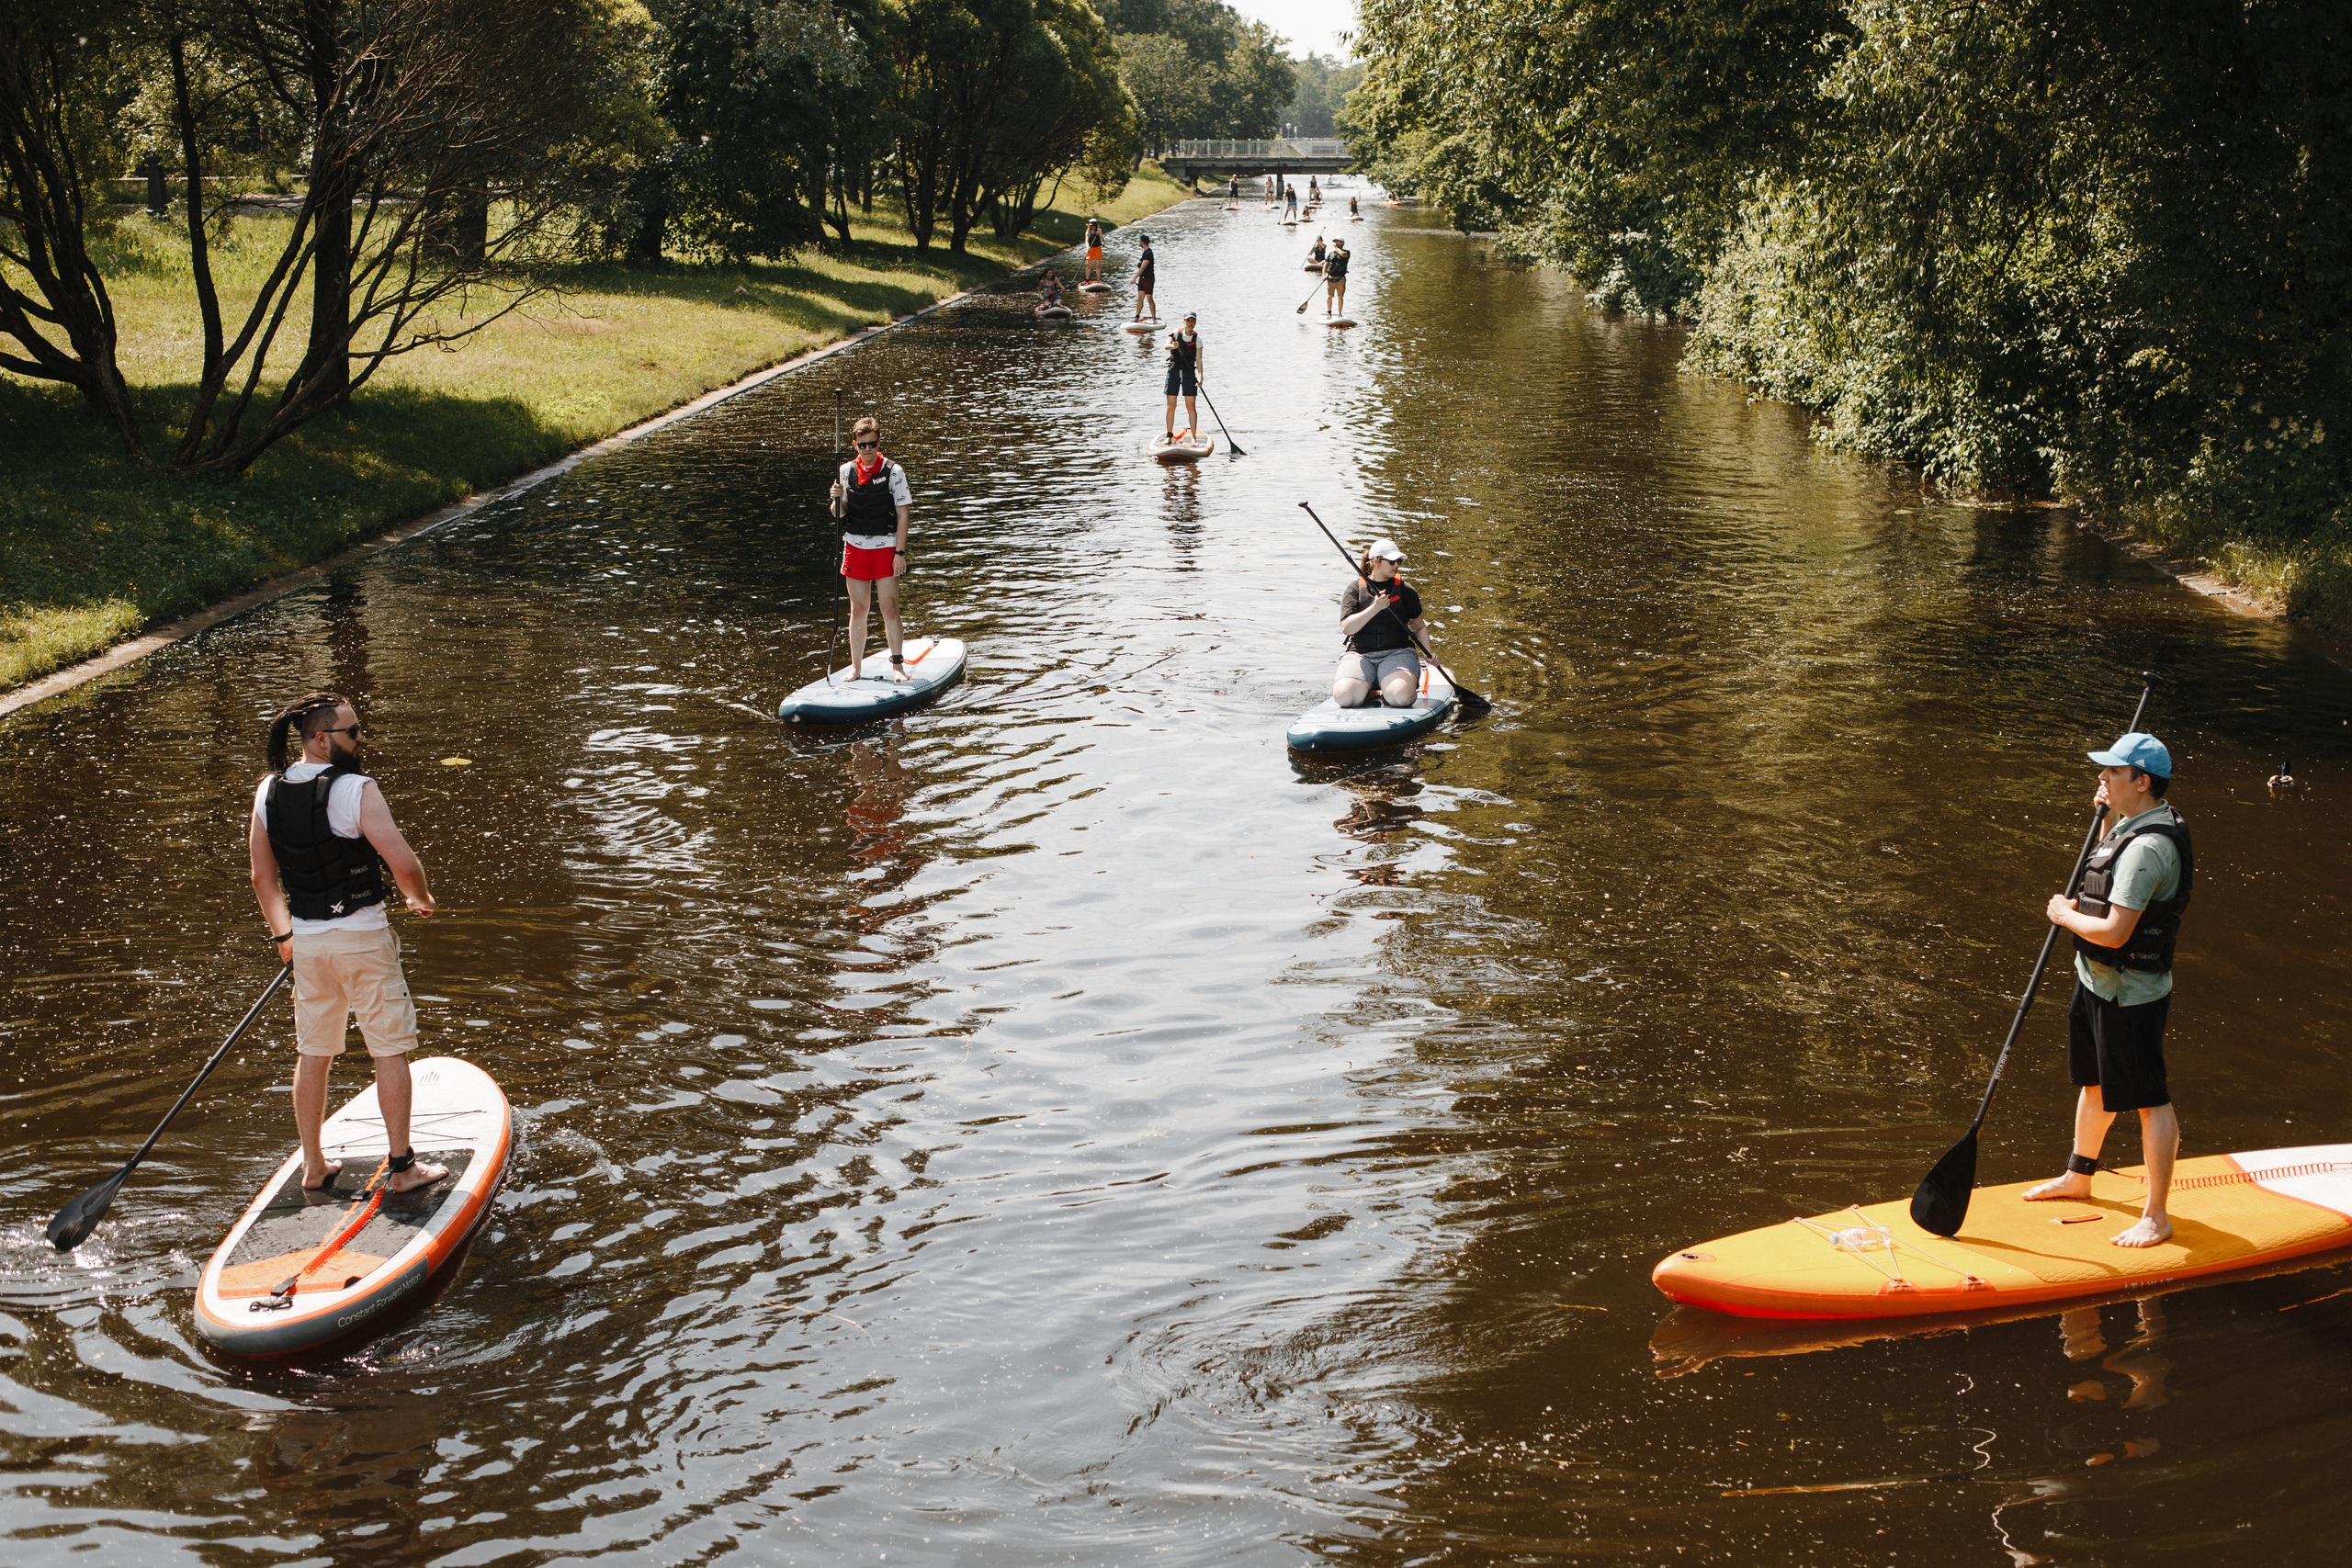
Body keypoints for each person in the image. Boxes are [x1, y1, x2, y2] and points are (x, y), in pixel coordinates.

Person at [248, 693, 447, 1195]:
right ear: (322, 739)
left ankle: (314, 1166)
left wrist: (284, 937)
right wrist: (419, 899)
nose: (361, 739)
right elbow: (402, 863)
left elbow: (262, 879)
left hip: (309, 945)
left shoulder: (267, 791)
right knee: (389, 1049)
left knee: (314, 1052)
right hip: (363, 939)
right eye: (353, 732)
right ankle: (403, 1169)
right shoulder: (357, 788)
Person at [2023, 733, 2193, 1247]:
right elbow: (2103, 867)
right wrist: (2103, 818)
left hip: (2130, 994)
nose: (2102, 778)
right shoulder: (2128, 827)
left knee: (2148, 1100)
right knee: (2094, 1083)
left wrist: (2063, 914)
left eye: (2113, 773)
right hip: (2096, 981)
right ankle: (2078, 1176)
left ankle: (2157, 1216)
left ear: (2142, 782)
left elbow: (2116, 931)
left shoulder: (2148, 848)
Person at [828, 414, 913, 680]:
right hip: (855, 546)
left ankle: (898, 666)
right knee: (859, 608)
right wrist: (836, 500)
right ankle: (856, 667)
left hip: (886, 546)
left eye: (872, 444)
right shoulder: (844, 471)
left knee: (889, 607)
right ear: (855, 445)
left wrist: (900, 552)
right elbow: (838, 515)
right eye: (862, 445)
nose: (867, 450)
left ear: (878, 442)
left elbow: (903, 515)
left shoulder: (894, 471)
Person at [1332, 539, 1430, 708]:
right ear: (1376, 561)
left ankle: (1389, 686)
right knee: (1344, 698)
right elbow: (1347, 628)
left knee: (1401, 698)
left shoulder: (1406, 590)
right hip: (1360, 655)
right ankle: (1372, 690)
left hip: (1397, 653)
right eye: (1392, 561)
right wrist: (1375, 608)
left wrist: (1428, 654)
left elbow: (1418, 626)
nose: (1396, 565)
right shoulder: (1354, 590)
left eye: (1399, 561)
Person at [1163, 311, 1203, 438]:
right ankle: (1169, 436)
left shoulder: (1197, 340)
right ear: (1184, 322)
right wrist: (1173, 345)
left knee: (1191, 406)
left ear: (1195, 323)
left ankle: (1193, 437)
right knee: (1171, 406)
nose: (1190, 323)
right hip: (1174, 371)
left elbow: (1199, 359)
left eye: (1193, 321)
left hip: (1189, 372)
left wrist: (1200, 376)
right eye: (1188, 321)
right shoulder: (1175, 333)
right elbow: (1166, 346)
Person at [1132, 234, 1157, 321]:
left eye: (1140, 241)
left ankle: (1154, 318)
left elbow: (1143, 267)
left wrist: (1135, 277)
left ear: (1142, 242)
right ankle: (1137, 316)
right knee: (1140, 297)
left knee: (1149, 298)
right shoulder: (1144, 253)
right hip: (1142, 278)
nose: (1139, 243)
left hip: (1148, 279)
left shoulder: (1148, 253)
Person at [1323, 239, 1351, 316]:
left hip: (1340, 278)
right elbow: (1325, 264)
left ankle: (1339, 314)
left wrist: (1336, 248)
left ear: (1342, 243)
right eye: (1335, 242)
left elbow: (1342, 254)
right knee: (1330, 296)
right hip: (1331, 278)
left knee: (1340, 297)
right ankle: (1329, 312)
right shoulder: (1331, 254)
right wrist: (1323, 276)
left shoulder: (1346, 252)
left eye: (1338, 242)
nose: (1336, 243)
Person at [1083, 218, 1104, 282]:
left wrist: (1100, 235)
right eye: (1090, 225)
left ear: (1095, 225)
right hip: (1090, 249)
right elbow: (1086, 241)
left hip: (1097, 249)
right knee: (1088, 265)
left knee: (1097, 265)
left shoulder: (1099, 231)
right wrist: (1087, 247)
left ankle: (1098, 280)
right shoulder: (1088, 231)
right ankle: (1087, 280)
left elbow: (1103, 240)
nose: (1092, 227)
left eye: (1093, 225)